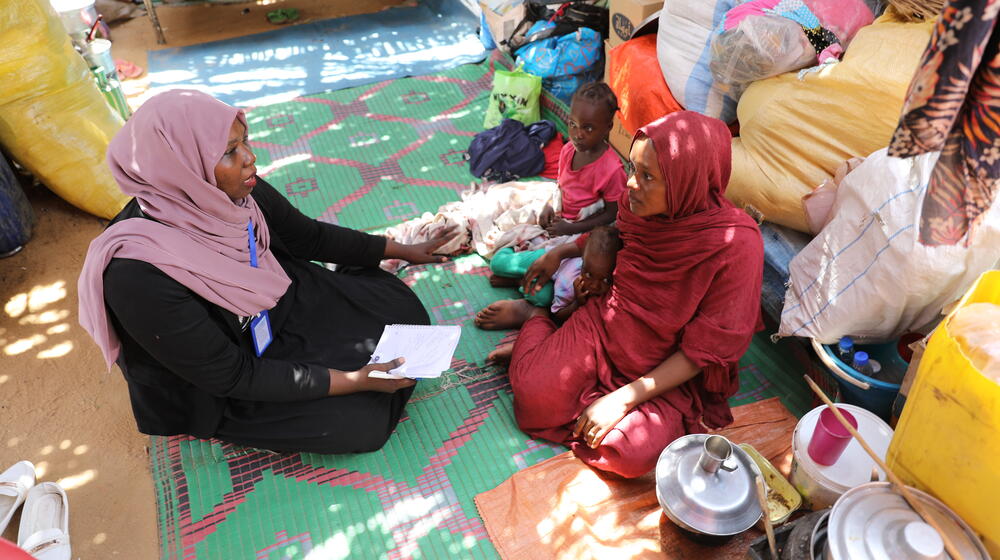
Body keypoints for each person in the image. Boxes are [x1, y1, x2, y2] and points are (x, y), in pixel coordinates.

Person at [77, 90, 454, 454]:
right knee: (359, 422)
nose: (250, 157)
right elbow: (231, 375)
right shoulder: (137, 275)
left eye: (244, 142)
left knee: (404, 312)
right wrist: (352, 381)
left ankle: (344, 354)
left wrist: (402, 250)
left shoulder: (230, 192)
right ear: (182, 167)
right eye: (229, 152)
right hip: (227, 372)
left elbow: (308, 238)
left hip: (277, 305)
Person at [477, 111, 763, 478]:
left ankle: (549, 361)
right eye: (633, 168)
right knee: (532, 400)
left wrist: (622, 399)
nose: (630, 185)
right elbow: (615, 235)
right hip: (604, 326)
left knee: (630, 455)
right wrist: (557, 253)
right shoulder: (639, 207)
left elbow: (703, 351)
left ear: (686, 182)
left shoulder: (736, 245)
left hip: (665, 364)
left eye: (647, 177)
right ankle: (537, 321)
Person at [538, 81, 627, 237]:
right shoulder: (568, 150)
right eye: (573, 124)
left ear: (608, 127)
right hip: (562, 218)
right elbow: (561, 186)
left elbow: (612, 214)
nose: (577, 134)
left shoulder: (612, 171)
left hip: (584, 228)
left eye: (588, 128)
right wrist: (549, 206)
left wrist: (572, 229)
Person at [551, 226, 621, 323]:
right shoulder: (567, 283)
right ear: (582, 258)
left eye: (606, 280)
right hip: (551, 266)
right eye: (589, 275)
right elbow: (556, 315)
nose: (595, 285)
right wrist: (576, 303)